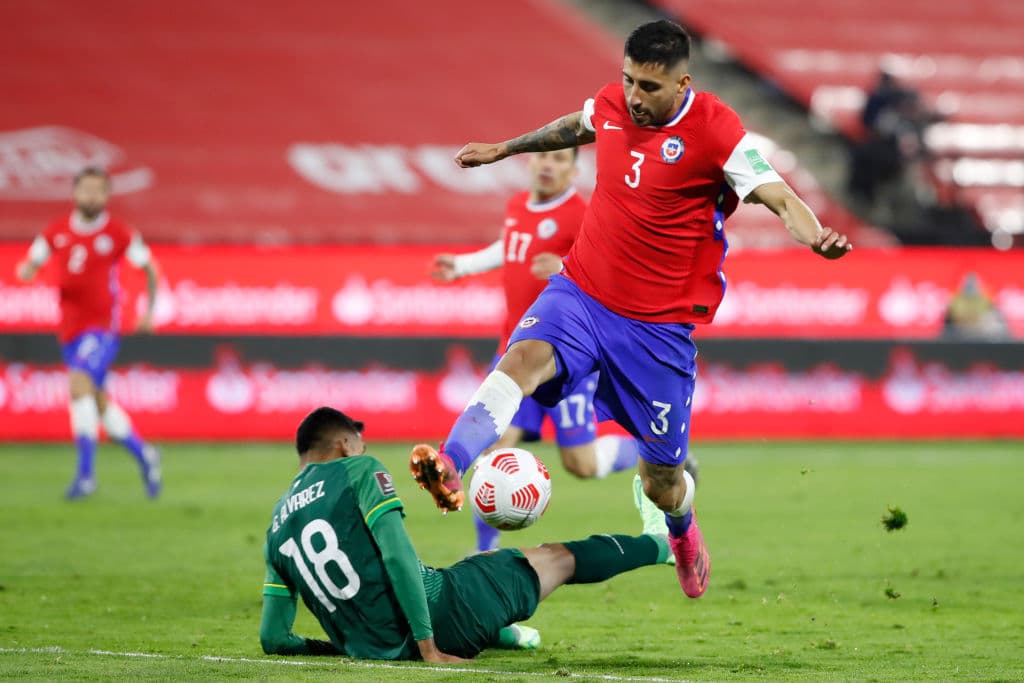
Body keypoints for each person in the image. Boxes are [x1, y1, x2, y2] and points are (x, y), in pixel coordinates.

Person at [409, 20, 852, 599]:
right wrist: (507, 148)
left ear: (681, 82)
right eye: (628, 81)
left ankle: (682, 529)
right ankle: (450, 461)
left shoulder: (719, 132)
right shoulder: (614, 103)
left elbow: (779, 197)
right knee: (522, 360)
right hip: (582, 292)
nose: (635, 98)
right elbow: (578, 123)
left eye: (649, 86)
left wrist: (815, 236)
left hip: (655, 330)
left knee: (661, 480)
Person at [259, 407, 673, 661]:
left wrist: (345, 647)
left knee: (478, 567)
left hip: (375, 644)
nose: (364, 447)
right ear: (346, 443)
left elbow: (274, 638)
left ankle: (504, 632)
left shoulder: (277, 524)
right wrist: (427, 645)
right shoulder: (358, 470)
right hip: (444, 617)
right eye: (360, 440)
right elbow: (397, 555)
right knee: (554, 558)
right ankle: (660, 542)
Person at [431, 149, 643, 552]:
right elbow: (508, 246)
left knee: (579, 464)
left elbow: (615, 270)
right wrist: (463, 267)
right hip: (514, 353)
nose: (548, 164)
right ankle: (485, 551)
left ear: (574, 170)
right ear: (529, 162)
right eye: (543, 156)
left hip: (568, 357)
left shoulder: (581, 213)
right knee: (492, 449)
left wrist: (565, 267)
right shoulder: (517, 205)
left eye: (560, 159)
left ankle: (652, 450)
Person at [14, 166, 162, 500]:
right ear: (75, 193)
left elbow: (149, 267)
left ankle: (85, 476)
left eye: (98, 190)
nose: (91, 196)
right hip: (69, 329)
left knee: (78, 385)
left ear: (107, 196)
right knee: (97, 403)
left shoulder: (119, 233)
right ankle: (146, 455)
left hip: (103, 327)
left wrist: (149, 311)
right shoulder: (56, 232)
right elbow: (31, 261)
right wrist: (26, 270)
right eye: (86, 190)